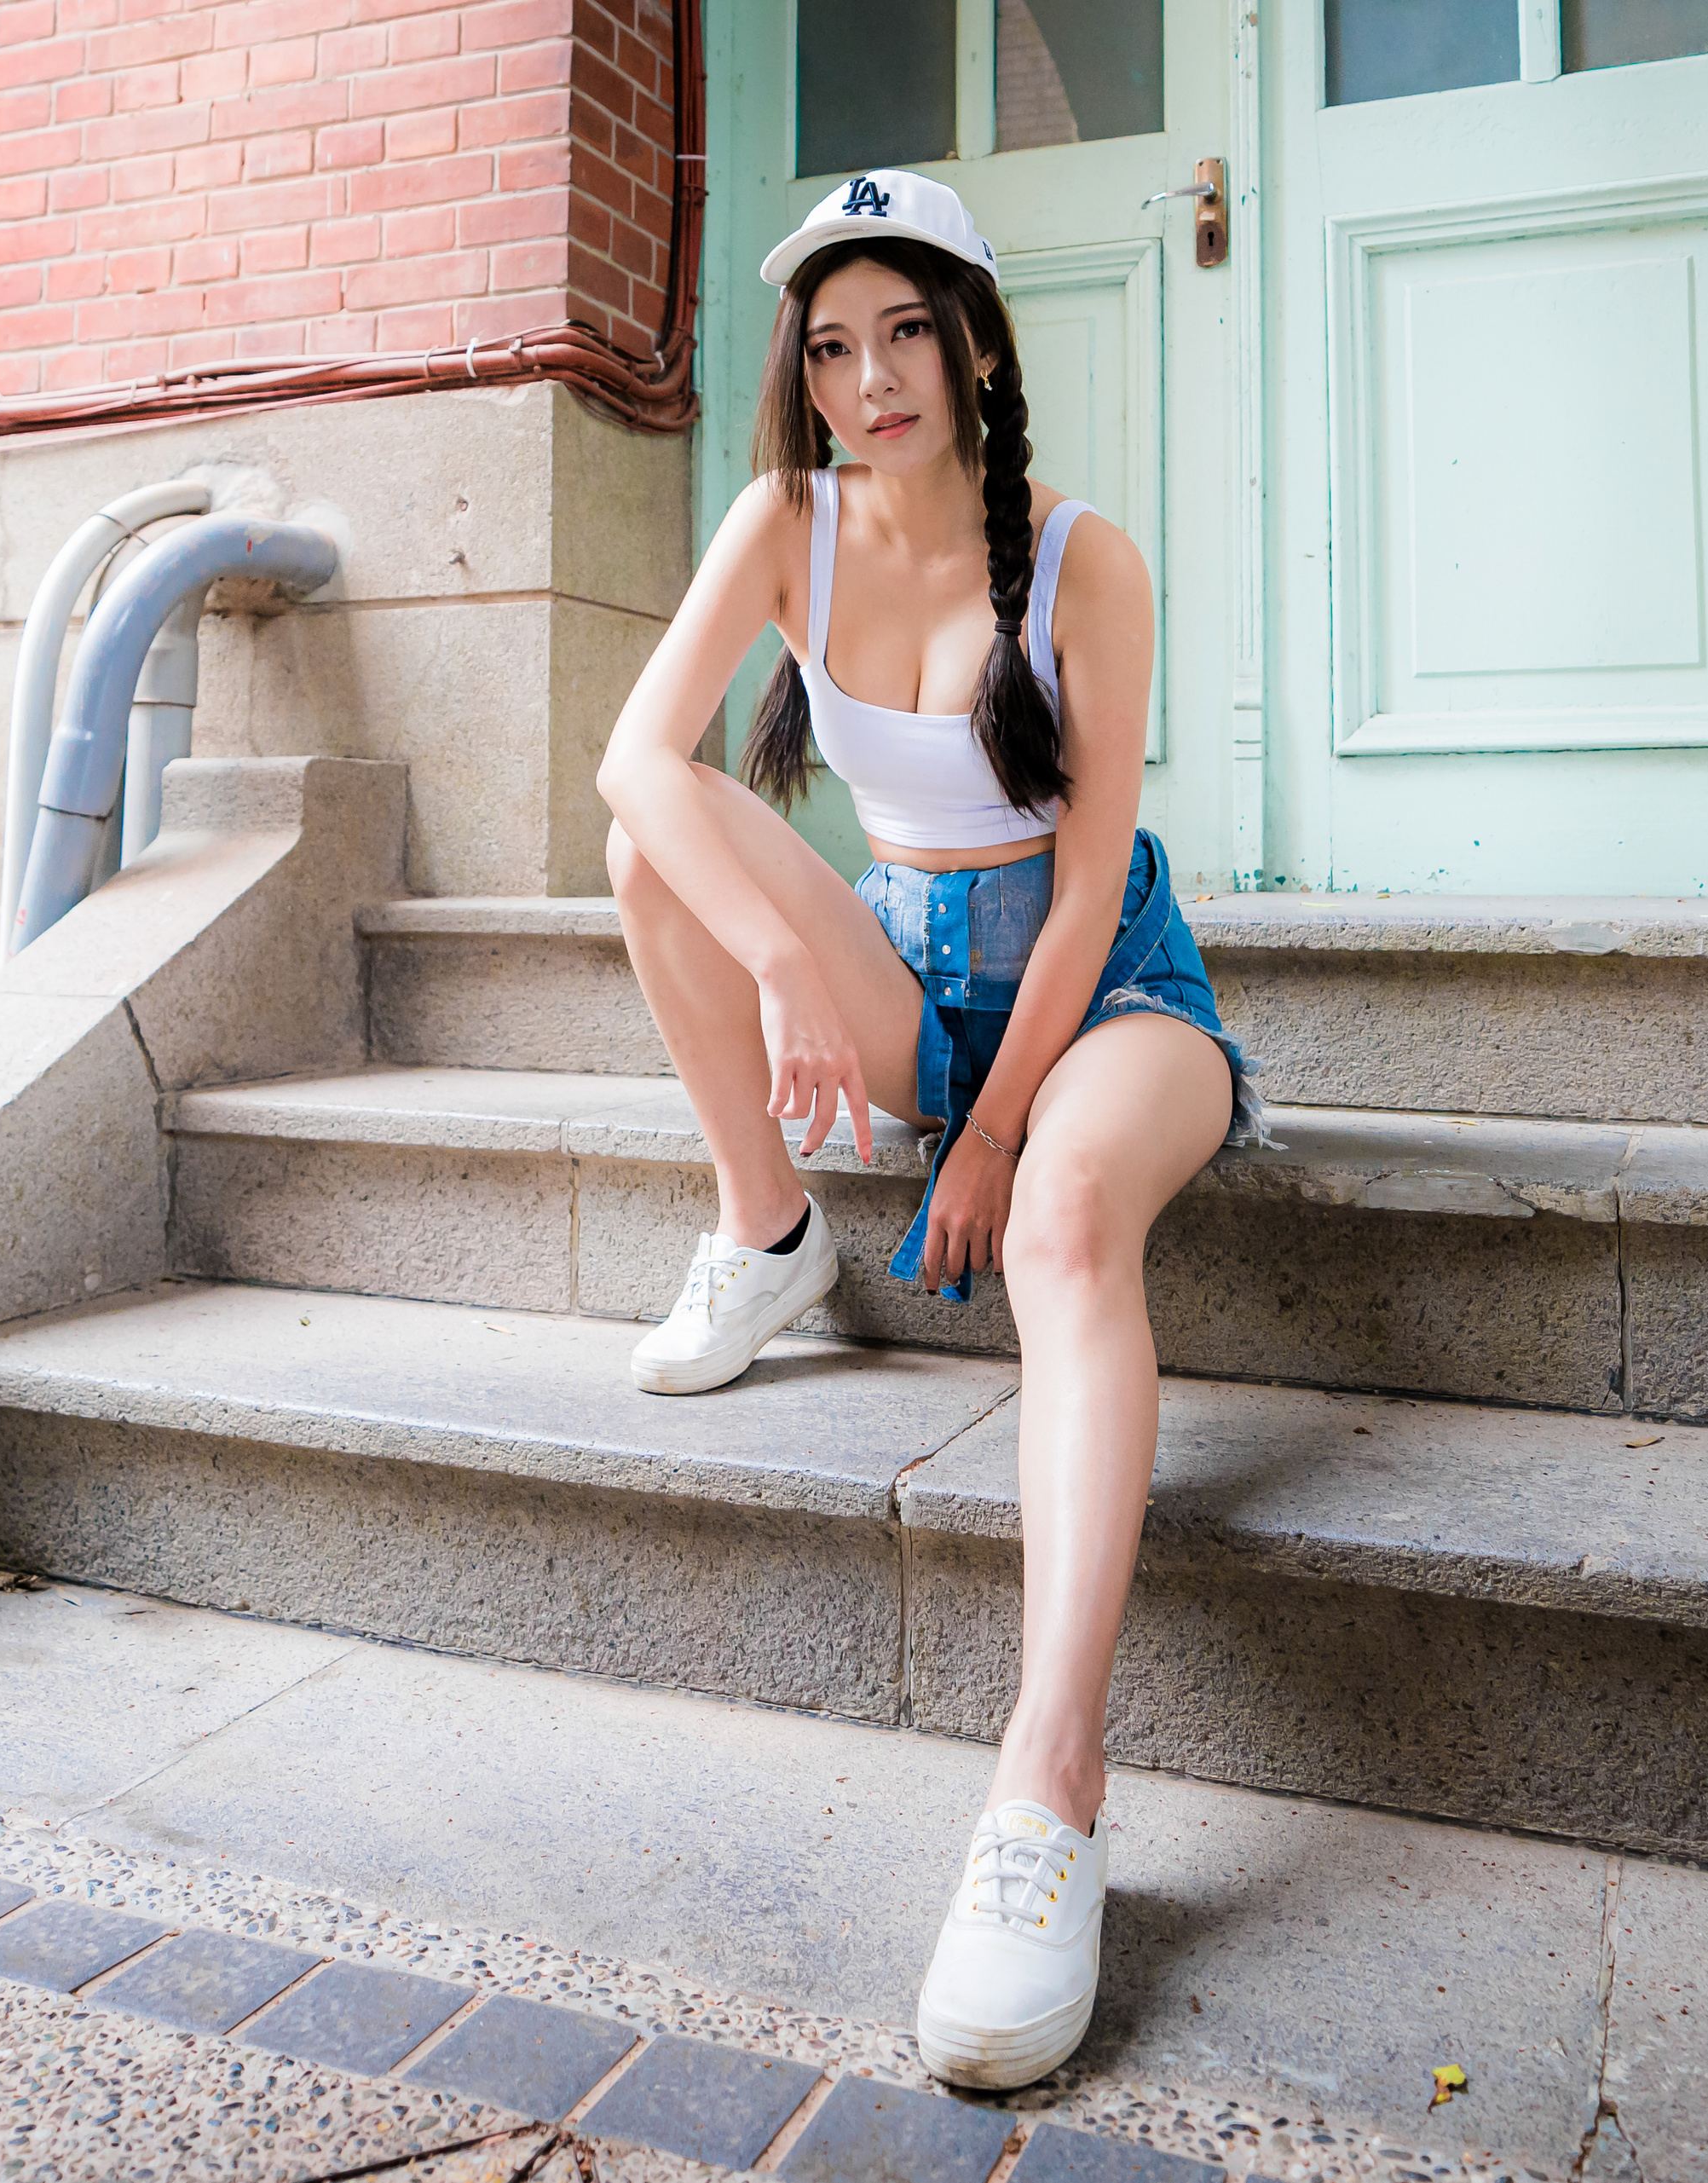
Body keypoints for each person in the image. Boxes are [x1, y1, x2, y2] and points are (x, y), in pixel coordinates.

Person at [591, 170, 1266, 2091]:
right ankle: (768, 1225)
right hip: (896, 963)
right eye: (830, 344)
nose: (871, 377)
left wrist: (985, 1146)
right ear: (798, 377)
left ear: (976, 338)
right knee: (655, 840)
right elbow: (642, 753)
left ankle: (1052, 1788)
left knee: (1059, 1235)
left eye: (908, 330)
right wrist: (787, 969)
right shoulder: (780, 524)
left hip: (1106, 990)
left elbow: (1076, 890)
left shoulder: (1082, 559)